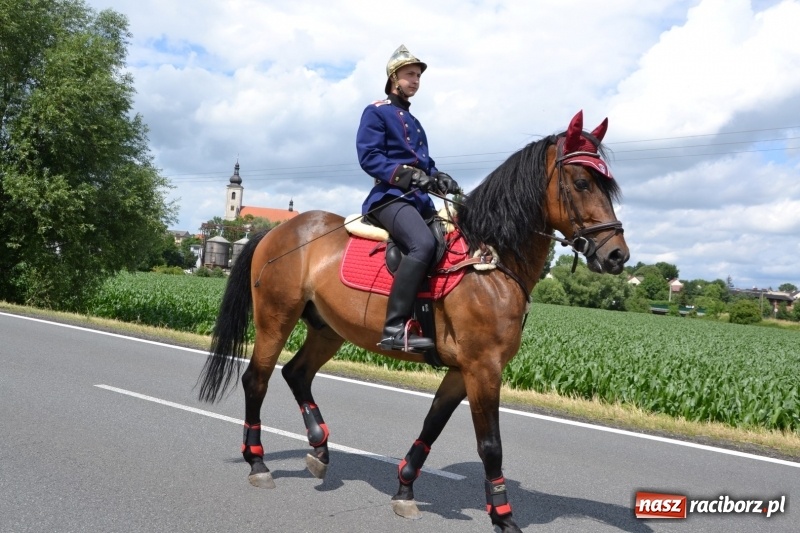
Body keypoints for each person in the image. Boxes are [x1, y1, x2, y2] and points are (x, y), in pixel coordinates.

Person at [356, 44, 460, 352]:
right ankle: (393, 329)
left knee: (446, 245)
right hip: (389, 198)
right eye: (409, 75)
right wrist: (408, 176)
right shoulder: (377, 112)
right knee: (423, 244)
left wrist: (439, 177)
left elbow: (424, 163)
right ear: (393, 78)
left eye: (417, 76)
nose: (415, 81)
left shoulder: (414, 122)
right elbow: (370, 157)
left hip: (419, 202)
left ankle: (428, 322)